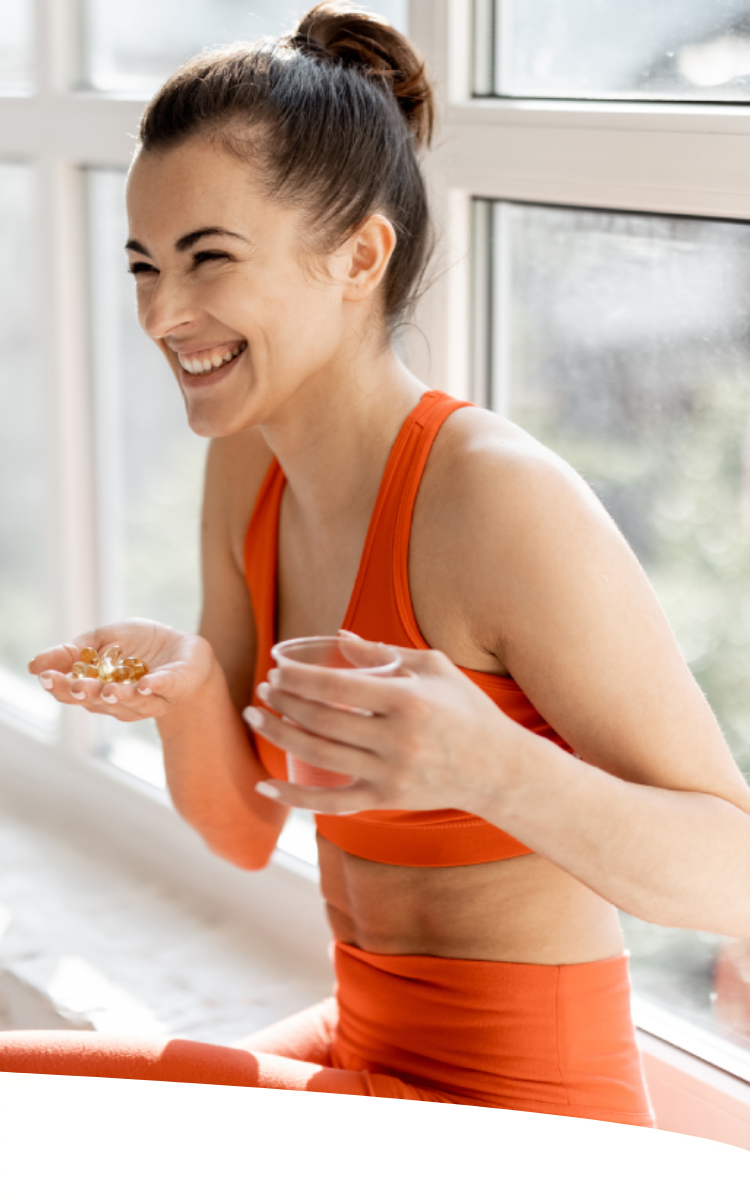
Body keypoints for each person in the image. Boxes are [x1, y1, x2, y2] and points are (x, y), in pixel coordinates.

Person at [9, 1, 750, 1123]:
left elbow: (731, 869)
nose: (164, 312)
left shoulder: (495, 498)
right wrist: (192, 690)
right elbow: (247, 829)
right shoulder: (247, 465)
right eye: (145, 265)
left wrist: (493, 768)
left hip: (525, 1107)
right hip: (364, 1046)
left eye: (208, 258)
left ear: (359, 255)